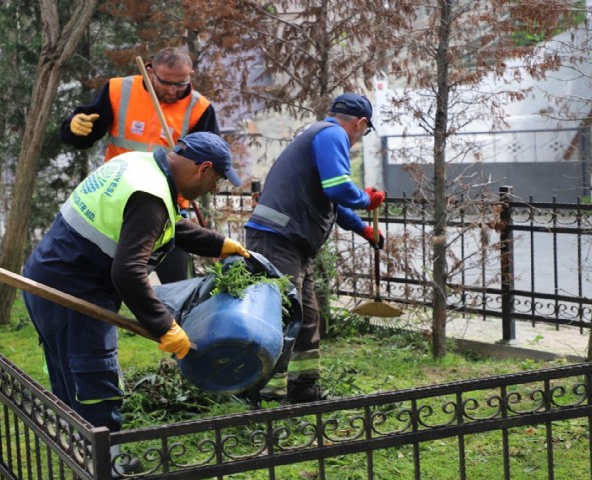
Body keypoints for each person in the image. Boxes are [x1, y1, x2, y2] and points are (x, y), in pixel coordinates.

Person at [22, 132, 250, 436]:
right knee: (95, 384)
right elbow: (128, 271)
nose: (212, 188)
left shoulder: (139, 165)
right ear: (203, 168)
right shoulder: (151, 196)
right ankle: (104, 469)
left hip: (47, 279)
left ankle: (78, 460)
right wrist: (164, 325)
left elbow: (166, 225)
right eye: (217, 180)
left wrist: (219, 244)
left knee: (71, 383)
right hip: (76, 296)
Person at [244, 93, 386, 403]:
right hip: (276, 239)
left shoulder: (317, 135)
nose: (361, 137)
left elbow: (331, 200)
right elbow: (338, 187)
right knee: (282, 315)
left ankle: (304, 388)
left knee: (307, 317)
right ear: (361, 123)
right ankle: (265, 394)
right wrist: (366, 199)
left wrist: (363, 228)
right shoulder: (332, 133)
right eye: (365, 131)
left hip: (291, 241)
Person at [59, 46, 220, 284]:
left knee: (181, 285)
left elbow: (210, 160)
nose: (173, 91)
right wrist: (74, 128)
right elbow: (86, 133)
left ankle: (176, 319)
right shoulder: (118, 90)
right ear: (150, 71)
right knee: (106, 281)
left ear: (190, 76)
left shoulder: (199, 108)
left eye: (181, 84)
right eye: (166, 83)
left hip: (168, 209)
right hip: (116, 203)